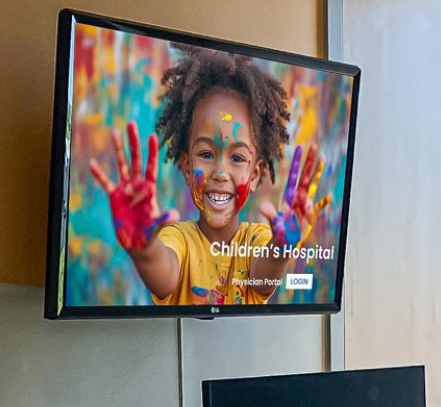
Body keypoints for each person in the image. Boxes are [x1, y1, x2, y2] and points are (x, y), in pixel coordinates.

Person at [88, 46, 332, 306]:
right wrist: (145, 251)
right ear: (186, 166)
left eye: (237, 158)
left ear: (254, 174)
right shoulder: (178, 238)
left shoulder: (256, 240)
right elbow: (164, 273)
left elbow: (263, 276)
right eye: (206, 154)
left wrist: (282, 249)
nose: (220, 172)